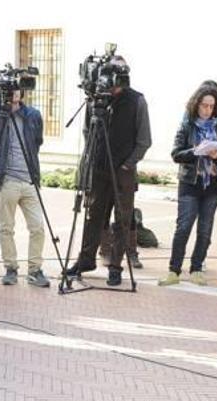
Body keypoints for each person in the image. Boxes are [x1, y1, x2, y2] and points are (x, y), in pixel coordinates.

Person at [66, 56, 151, 286]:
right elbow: (87, 132)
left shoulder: (136, 101)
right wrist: (91, 161)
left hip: (123, 172)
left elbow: (144, 140)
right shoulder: (95, 100)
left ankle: (115, 266)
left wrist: (127, 164)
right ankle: (85, 261)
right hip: (99, 168)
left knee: (122, 220)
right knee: (93, 216)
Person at [159, 84, 217, 286]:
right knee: (183, 227)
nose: (208, 110)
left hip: (212, 185)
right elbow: (176, 154)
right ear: (196, 105)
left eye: (211, 106)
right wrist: (195, 151)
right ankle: (174, 270)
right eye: (204, 106)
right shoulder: (187, 126)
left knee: (205, 230)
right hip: (190, 183)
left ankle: (197, 268)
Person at [0, 89, 50, 288]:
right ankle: (10, 268)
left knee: (38, 227)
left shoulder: (33, 115)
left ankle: (35, 269)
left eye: (18, 89)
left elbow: (37, 142)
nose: (15, 93)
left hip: (29, 180)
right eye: (11, 89)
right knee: (6, 227)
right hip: (5, 180)